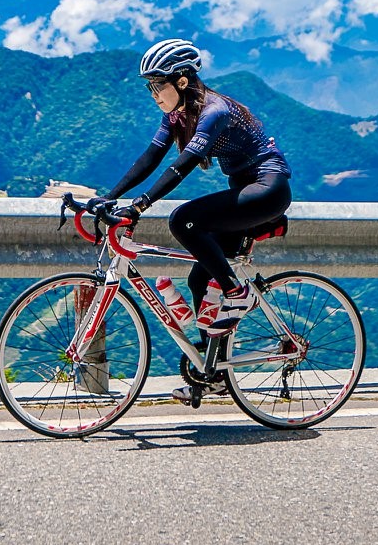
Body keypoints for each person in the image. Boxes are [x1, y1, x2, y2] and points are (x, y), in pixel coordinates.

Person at [89, 38, 292, 337]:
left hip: (267, 190)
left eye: (158, 85)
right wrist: (109, 197)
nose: (154, 94)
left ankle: (239, 295)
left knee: (183, 220)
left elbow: (182, 165)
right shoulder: (177, 114)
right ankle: (212, 377)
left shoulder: (214, 112)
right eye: (150, 87)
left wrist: (140, 204)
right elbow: (151, 156)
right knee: (199, 280)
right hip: (245, 191)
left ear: (182, 81)